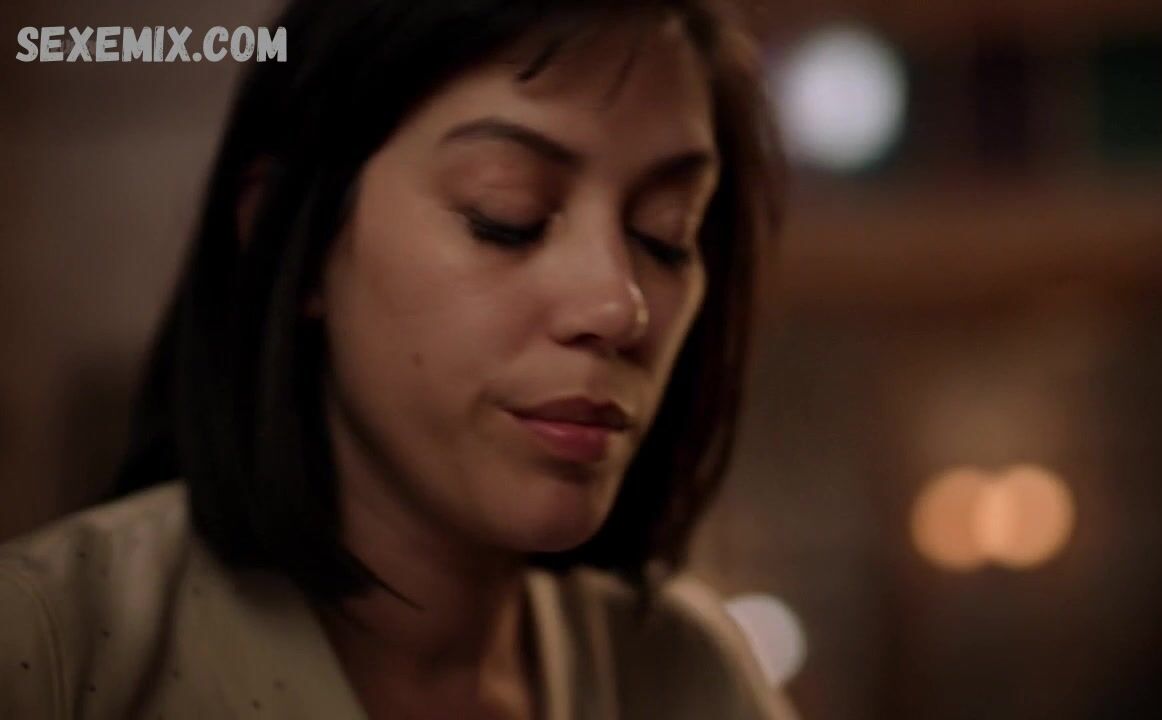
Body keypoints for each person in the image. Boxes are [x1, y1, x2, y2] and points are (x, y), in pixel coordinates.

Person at [0, 0, 792, 717]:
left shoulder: (693, 679)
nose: (619, 306)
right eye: (506, 215)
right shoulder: (52, 654)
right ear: (290, 231)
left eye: (666, 233)